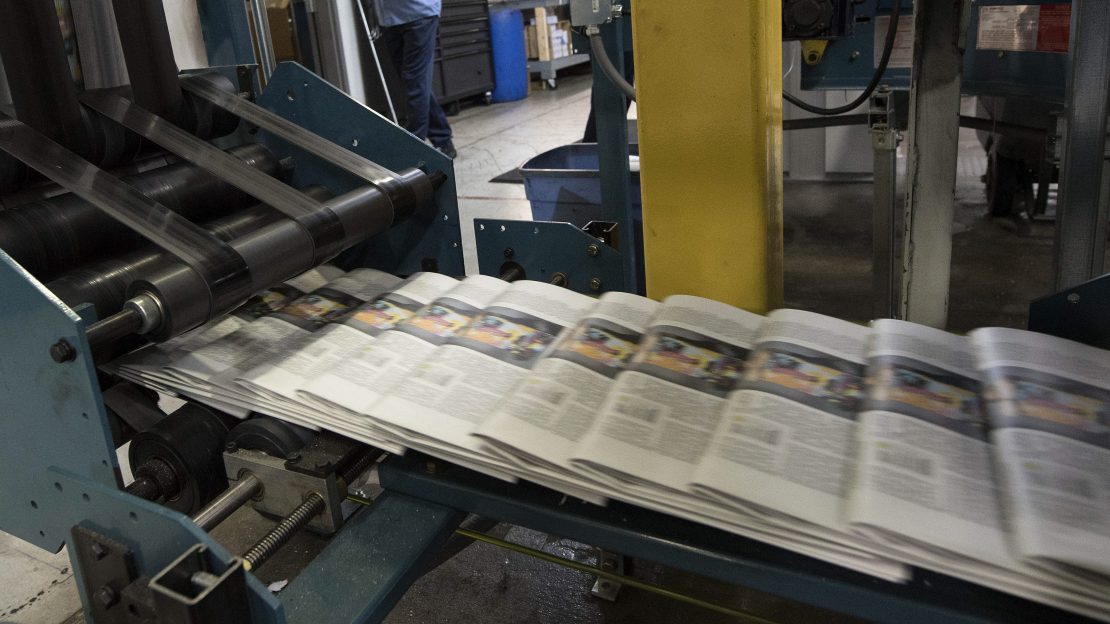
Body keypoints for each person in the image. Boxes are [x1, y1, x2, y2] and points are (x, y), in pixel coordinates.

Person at [375, 0, 456, 158]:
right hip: (389, 19)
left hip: (419, 13)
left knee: (414, 82)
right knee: (413, 82)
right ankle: (443, 139)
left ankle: (414, 148)